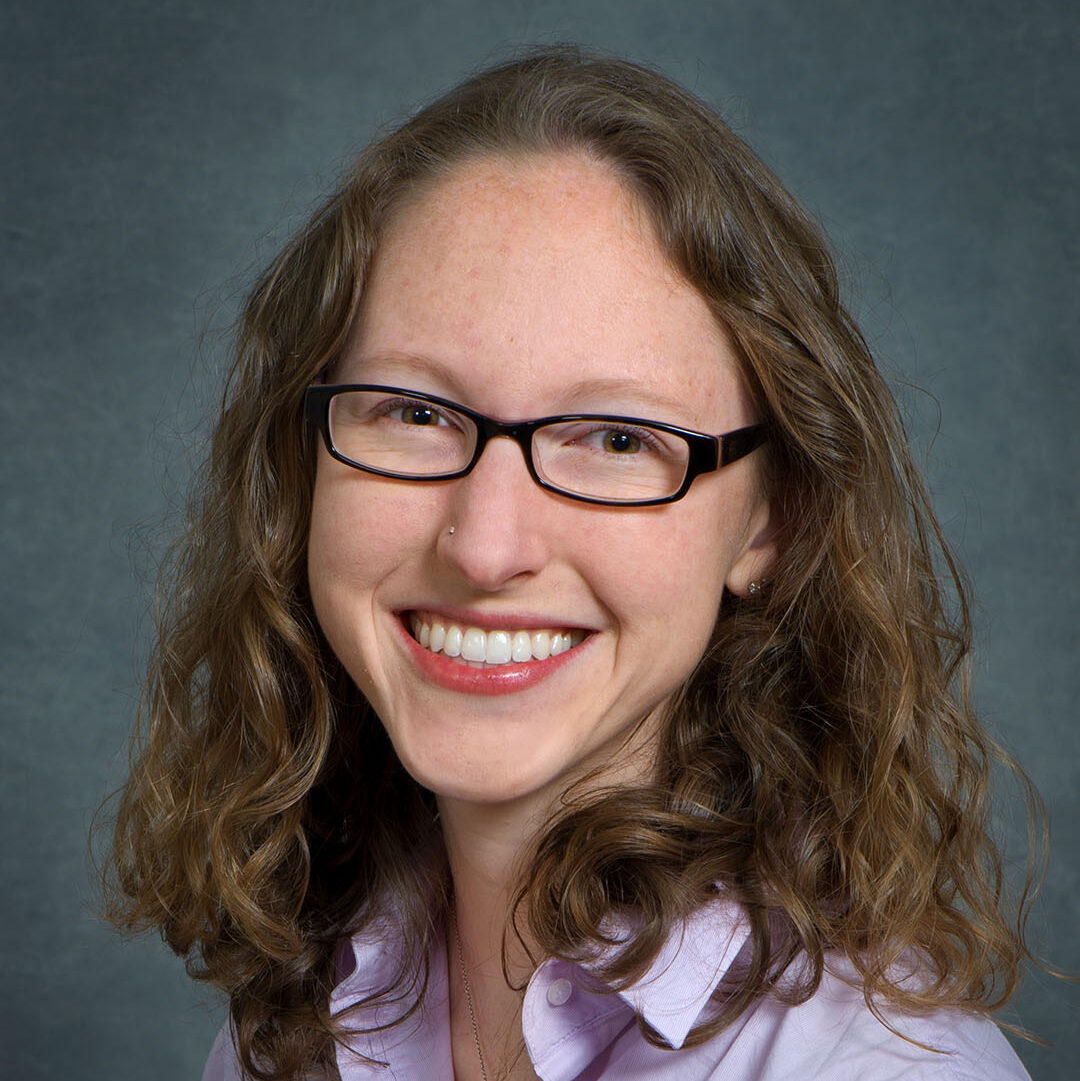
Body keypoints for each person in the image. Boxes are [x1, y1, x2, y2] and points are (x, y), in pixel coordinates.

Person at [105, 47, 1043, 1081]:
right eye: (414, 412)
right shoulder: (295, 1022)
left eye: (615, 438)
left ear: (771, 519)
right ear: (305, 462)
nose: (485, 545)